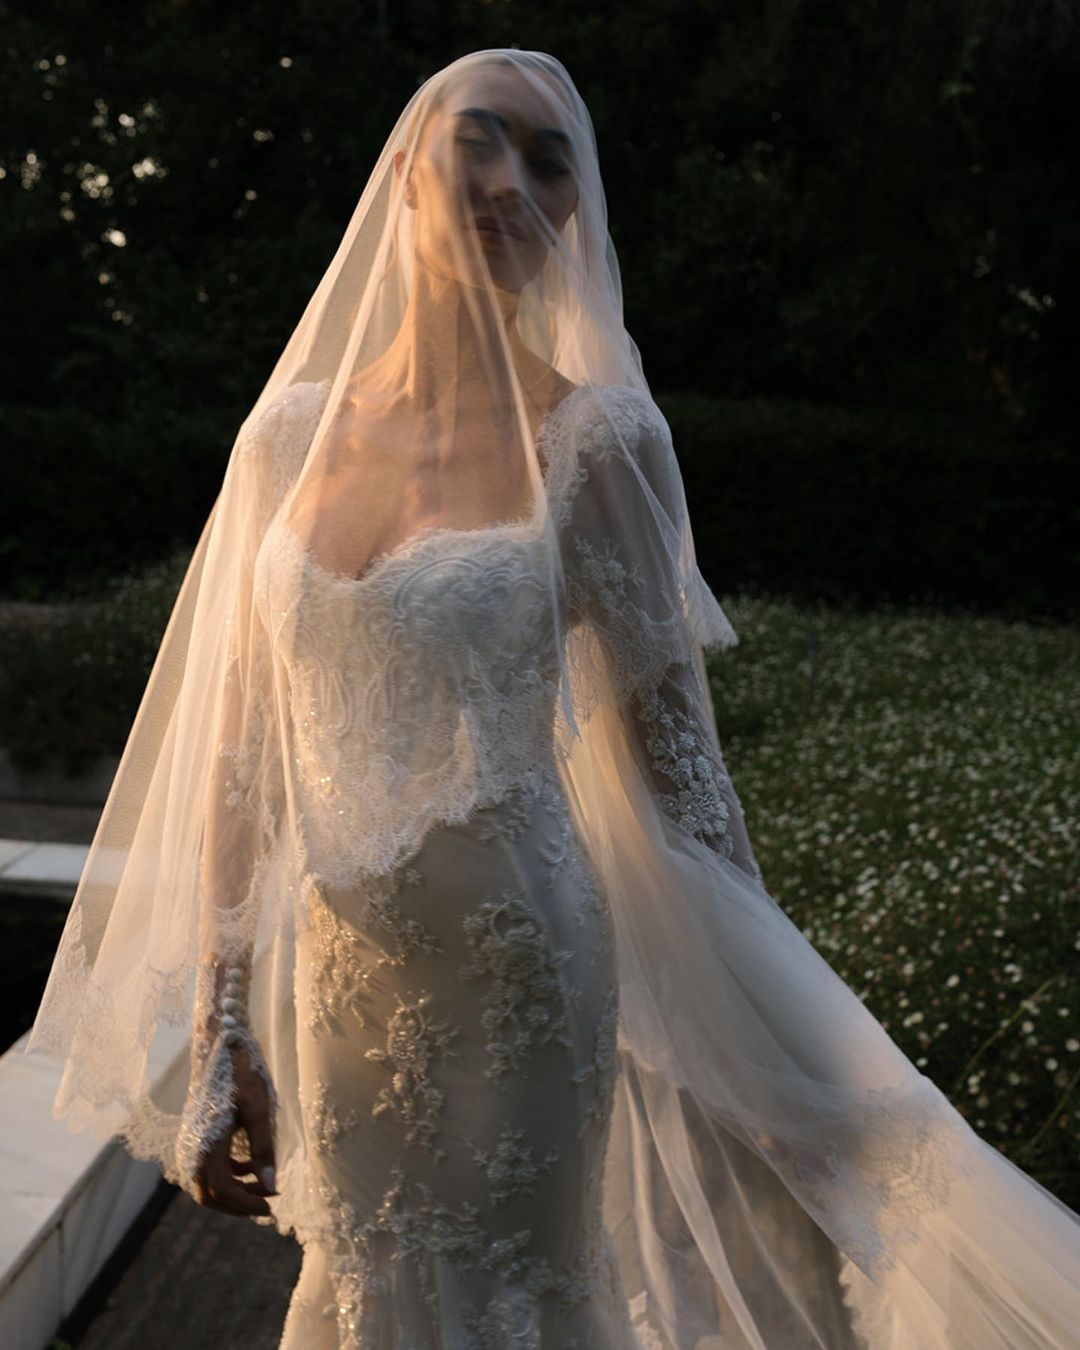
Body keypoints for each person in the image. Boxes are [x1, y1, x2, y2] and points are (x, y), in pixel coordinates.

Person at [26, 47, 1080, 1349]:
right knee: (367, 1290)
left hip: (524, 983)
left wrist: (801, 1074)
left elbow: (684, 795)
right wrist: (221, 1020)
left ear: (574, 215)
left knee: (508, 1301)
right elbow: (244, 744)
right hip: (342, 997)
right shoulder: (288, 439)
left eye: (550, 162)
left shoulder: (600, 446)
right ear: (409, 164)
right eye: (484, 139)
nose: (512, 182)